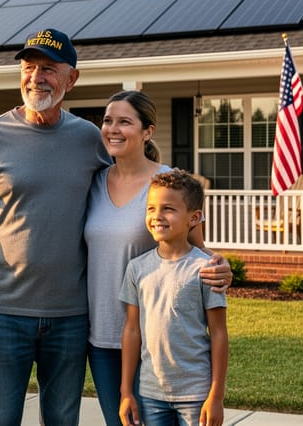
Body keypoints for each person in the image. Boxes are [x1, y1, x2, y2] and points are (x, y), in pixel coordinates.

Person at [0, 27, 110, 425]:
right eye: (28, 66)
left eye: (49, 69)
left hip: (71, 316)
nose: (36, 77)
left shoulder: (89, 140)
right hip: (3, 315)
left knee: (61, 420)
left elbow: (131, 196)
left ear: (71, 79)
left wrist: (197, 249)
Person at [84, 90, 228, 426]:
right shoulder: (93, 181)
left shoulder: (166, 182)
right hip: (102, 335)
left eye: (124, 121)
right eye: (107, 121)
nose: (112, 129)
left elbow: (196, 250)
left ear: (147, 131)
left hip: (158, 343)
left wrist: (220, 267)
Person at [119, 169, 228, 426]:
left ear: (194, 217)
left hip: (196, 395)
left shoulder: (206, 269)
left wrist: (216, 396)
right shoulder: (137, 268)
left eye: (168, 209)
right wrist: (126, 392)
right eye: (151, 208)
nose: (157, 216)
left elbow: (219, 334)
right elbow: (132, 330)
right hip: (151, 393)